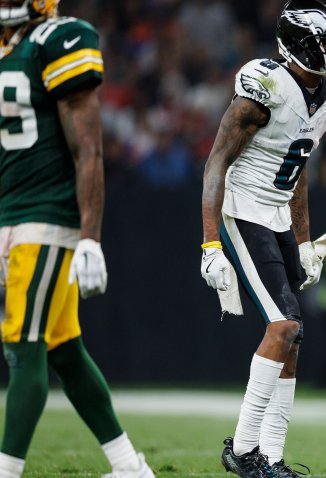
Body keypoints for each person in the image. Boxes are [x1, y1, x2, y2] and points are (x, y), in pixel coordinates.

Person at [199, 1, 326, 476]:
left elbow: (298, 166)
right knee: (284, 327)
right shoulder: (262, 87)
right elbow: (215, 166)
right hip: (243, 208)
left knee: (294, 337)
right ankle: (244, 450)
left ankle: (270, 455)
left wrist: (306, 240)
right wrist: (209, 243)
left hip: (278, 214)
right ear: (301, 43)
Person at [0, 1, 155, 477]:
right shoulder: (9, 49)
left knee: (22, 344)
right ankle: (129, 466)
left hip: (46, 215)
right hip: (13, 212)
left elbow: (88, 147)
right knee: (63, 348)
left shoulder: (59, 39)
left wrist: (90, 236)